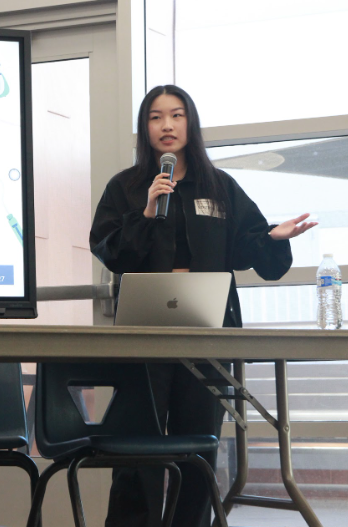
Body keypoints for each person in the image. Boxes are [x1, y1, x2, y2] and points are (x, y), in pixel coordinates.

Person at [89, 84, 316, 527]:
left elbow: (245, 244)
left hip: (206, 335)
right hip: (143, 339)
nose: (167, 125)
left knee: (199, 448)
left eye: (176, 115)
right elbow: (108, 248)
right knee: (137, 447)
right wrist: (149, 211)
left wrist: (271, 237)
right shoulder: (128, 187)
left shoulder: (220, 186)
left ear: (190, 124)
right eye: (156, 117)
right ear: (145, 128)